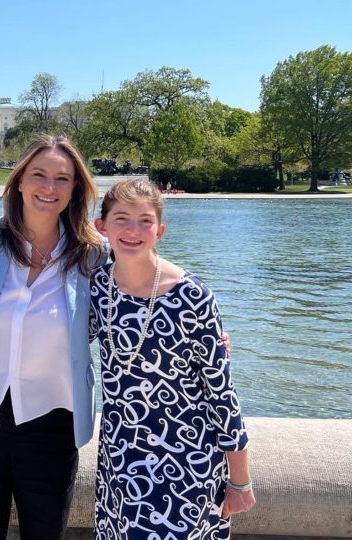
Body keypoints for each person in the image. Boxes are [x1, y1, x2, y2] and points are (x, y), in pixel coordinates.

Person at [0, 134, 105, 540]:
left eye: (62, 179)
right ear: (20, 181)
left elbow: (142, 279)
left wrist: (198, 321)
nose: (49, 188)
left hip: (53, 420)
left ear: (75, 188)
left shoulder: (92, 253)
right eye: (39, 175)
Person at [90, 178, 255, 539]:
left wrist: (240, 480)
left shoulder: (192, 297)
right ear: (101, 227)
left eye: (145, 221)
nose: (133, 231)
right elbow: (56, 339)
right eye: (121, 219)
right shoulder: (97, 287)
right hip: (120, 456)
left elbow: (221, 393)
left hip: (186, 457)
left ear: (160, 230)